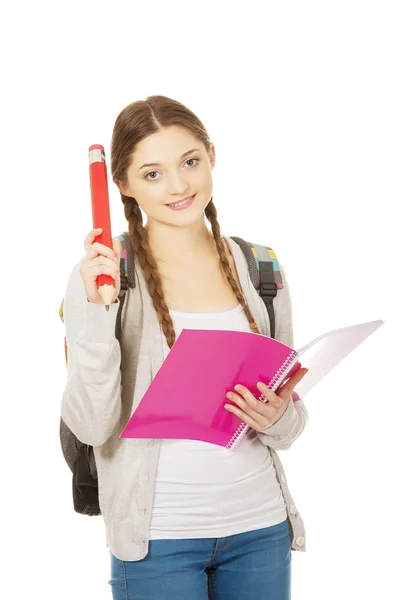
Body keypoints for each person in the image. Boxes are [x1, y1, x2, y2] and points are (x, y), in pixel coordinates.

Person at [61, 95, 309, 600]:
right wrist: (93, 310)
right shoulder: (105, 276)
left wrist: (277, 415)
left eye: (189, 162)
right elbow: (90, 425)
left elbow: (291, 422)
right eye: (152, 173)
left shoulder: (261, 267)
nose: (178, 186)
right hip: (158, 541)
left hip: (260, 528)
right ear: (124, 185)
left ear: (211, 156)